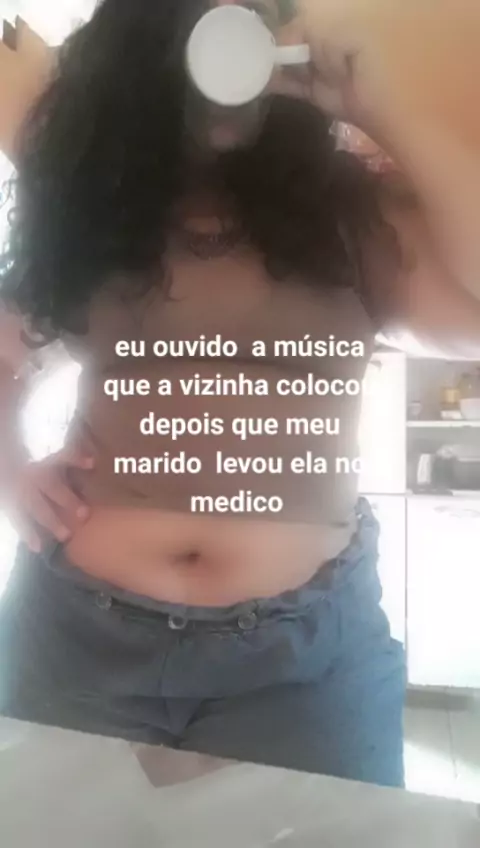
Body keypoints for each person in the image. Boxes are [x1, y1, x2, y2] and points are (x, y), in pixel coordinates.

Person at [0, 1, 479, 789]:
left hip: (301, 667)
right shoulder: (93, 221)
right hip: (76, 641)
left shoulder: (350, 221)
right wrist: (12, 461)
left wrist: (382, 110)